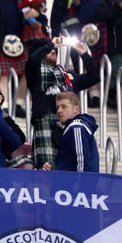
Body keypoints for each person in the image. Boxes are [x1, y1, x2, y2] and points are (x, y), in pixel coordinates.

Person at [26, 37, 99, 169]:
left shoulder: (67, 76)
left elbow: (94, 77)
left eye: (54, 49)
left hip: (68, 127)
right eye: (48, 50)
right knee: (46, 173)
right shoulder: (34, 73)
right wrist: (50, 44)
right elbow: (32, 60)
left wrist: (84, 54)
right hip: (46, 125)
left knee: (67, 169)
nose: (53, 51)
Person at [72, 0, 122, 106]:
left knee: (101, 62)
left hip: (104, 29)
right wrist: (76, 3)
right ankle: (94, 96)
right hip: (86, 29)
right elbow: (76, 12)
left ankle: (108, 95)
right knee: (89, 61)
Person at [53, 91, 99, 172]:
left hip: (76, 183)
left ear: (76, 109)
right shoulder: (77, 126)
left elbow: (82, 161)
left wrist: (80, 184)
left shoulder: (76, 127)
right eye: (57, 107)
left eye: (63, 107)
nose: (59, 111)